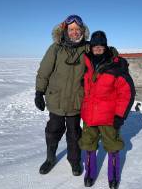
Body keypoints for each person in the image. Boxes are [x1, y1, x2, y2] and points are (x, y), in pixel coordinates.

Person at [78, 31, 135, 188]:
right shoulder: (85, 63)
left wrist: (120, 115)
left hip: (108, 116)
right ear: (91, 47)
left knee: (112, 146)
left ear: (105, 47)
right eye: (94, 46)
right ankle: (89, 174)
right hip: (89, 115)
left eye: (100, 46)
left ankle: (113, 177)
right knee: (88, 145)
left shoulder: (115, 66)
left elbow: (127, 93)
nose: (97, 49)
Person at [35, 14, 90, 176]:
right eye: (71, 29)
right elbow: (44, 71)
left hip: (76, 100)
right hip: (56, 99)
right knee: (53, 130)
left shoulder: (87, 49)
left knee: (74, 134)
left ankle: (74, 162)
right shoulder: (56, 48)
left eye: (77, 29)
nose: (74, 32)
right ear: (65, 30)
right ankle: (50, 158)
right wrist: (39, 92)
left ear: (82, 31)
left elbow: (102, 57)